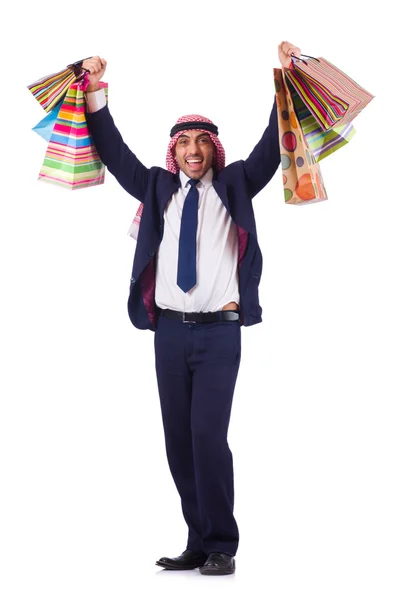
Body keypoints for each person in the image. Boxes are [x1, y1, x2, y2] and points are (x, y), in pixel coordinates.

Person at [82, 41, 301, 576]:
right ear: (174, 150)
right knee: (179, 441)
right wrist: (94, 92)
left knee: (207, 435)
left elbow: (274, 146)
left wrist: (287, 78)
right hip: (170, 334)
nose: (195, 150)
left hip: (220, 333)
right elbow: (114, 152)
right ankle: (198, 540)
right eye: (186, 142)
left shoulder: (237, 184)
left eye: (204, 141)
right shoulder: (157, 188)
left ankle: (223, 542)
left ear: (215, 151)